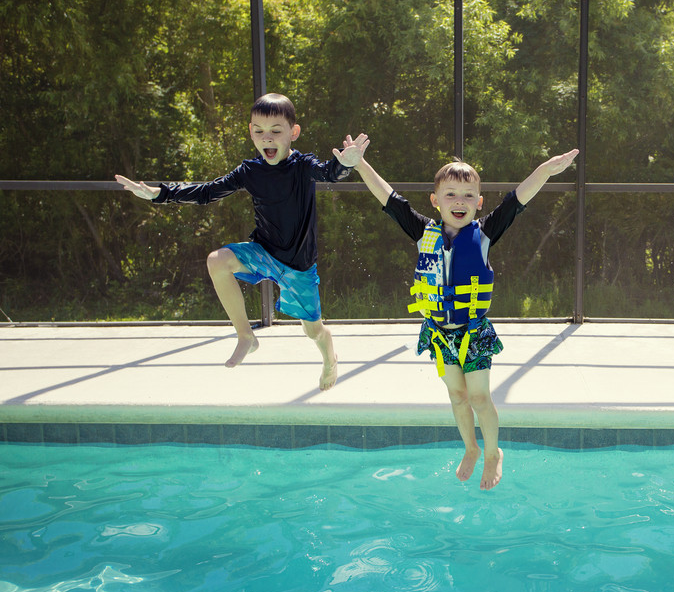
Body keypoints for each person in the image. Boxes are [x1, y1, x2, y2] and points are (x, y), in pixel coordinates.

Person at [339, 138, 578, 490]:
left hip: (474, 331)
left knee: (479, 396)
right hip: (438, 331)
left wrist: (545, 170)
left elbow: (517, 200)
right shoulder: (423, 231)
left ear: (479, 203)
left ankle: (494, 452)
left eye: (468, 196)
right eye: (450, 194)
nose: (460, 202)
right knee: (456, 395)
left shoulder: (484, 233)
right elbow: (390, 199)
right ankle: (471, 447)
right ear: (435, 201)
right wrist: (359, 164)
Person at [116, 93, 367, 391]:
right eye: (259, 131)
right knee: (216, 261)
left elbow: (329, 172)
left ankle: (330, 360)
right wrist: (161, 194)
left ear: (293, 132)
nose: (267, 139)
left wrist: (345, 165)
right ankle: (246, 336)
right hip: (263, 252)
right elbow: (207, 191)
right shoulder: (249, 171)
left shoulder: (302, 165)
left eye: (276, 131)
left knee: (313, 331)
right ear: (250, 132)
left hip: (298, 266)